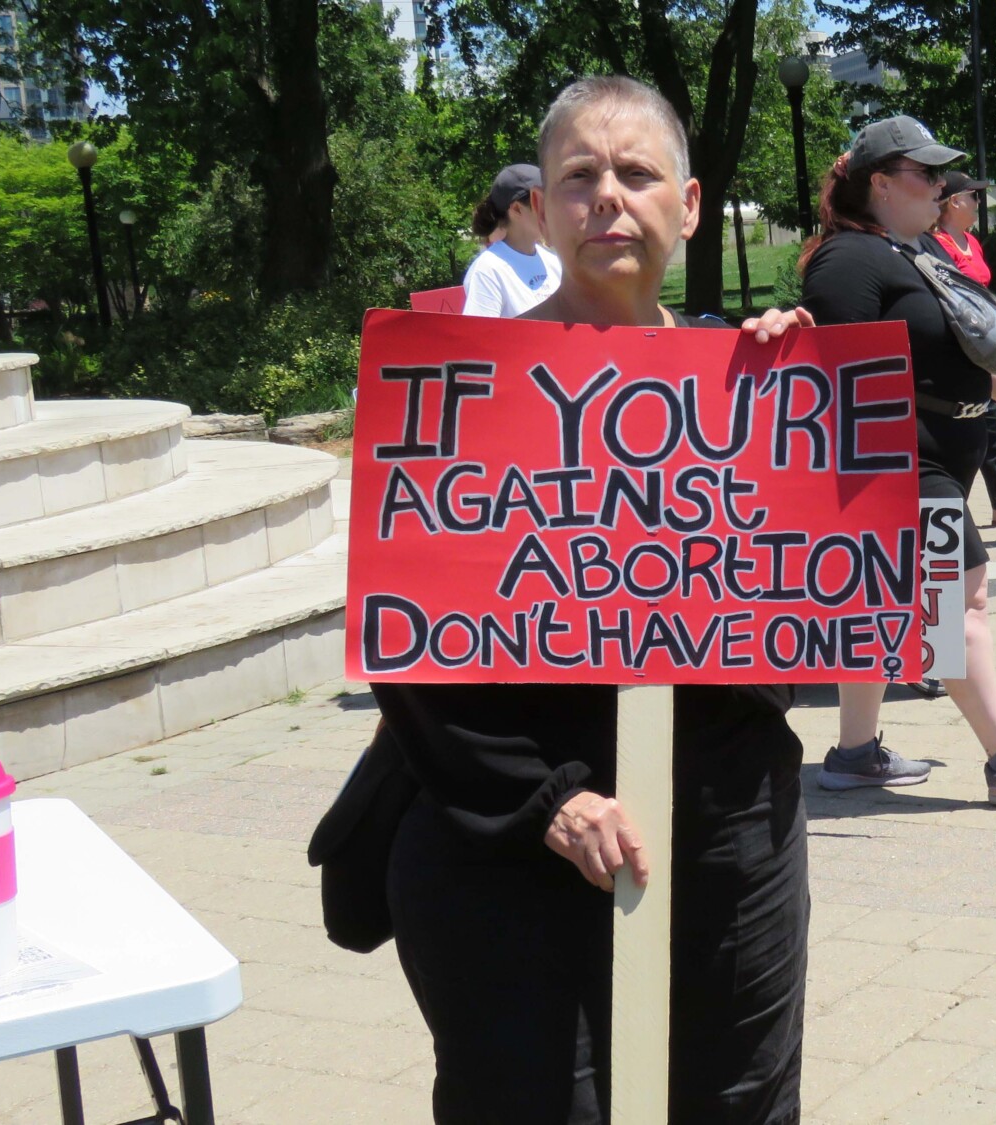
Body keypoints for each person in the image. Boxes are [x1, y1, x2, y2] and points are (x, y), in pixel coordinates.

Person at [376, 75, 815, 1125]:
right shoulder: (463, 392)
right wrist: (550, 802)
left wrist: (804, 403)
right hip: (513, 853)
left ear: (691, 203)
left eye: (635, 173)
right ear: (539, 208)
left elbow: (813, 635)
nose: (608, 199)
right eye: (578, 177)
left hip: (724, 838)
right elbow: (416, 652)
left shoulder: (759, 382)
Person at [797, 116, 996, 803]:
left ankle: (856, 752)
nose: (941, 184)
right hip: (899, 464)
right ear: (880, 185)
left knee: (881, 609)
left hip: (932, 458)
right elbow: (833, 378)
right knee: (958, 599)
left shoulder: (912, 253)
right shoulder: (848, 261)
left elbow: (959, 347)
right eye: (924, 174)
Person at [930, 170, 996, 529]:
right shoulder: (938, 245)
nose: (978, 203)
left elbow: (985, 300)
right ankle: (954, 506)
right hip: (962, 353)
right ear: (954, 202)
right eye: (973, 197)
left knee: (992, 429)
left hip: (983, 349)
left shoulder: (971, 243)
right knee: (979, 431)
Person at [462, 163, 563, 318]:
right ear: (516, 209)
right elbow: (478, 338)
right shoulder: (488, 271)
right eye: (541, 203)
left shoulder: (554, 262)